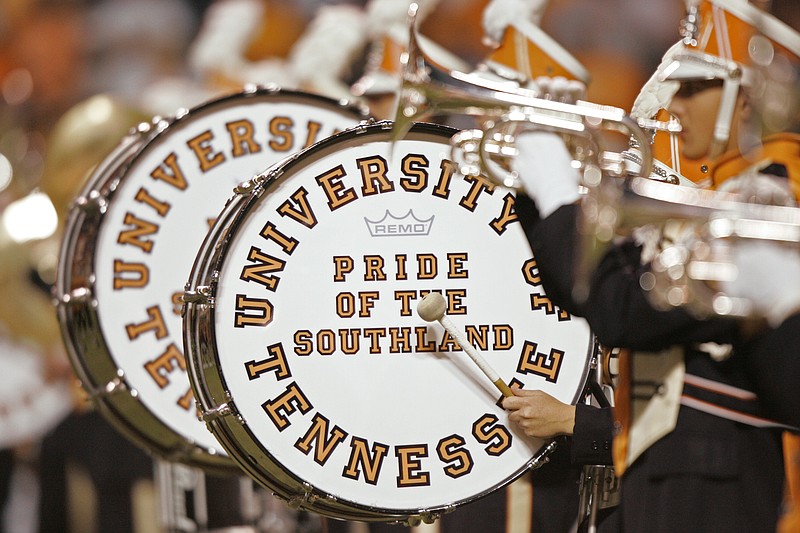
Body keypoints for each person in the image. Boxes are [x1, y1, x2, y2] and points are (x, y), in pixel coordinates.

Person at [506, 0, 800, 531]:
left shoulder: (770, 199)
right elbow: (582, 295)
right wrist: (531, 194)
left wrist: (559, 194)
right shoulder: (734, 197)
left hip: (718, 487)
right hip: (673, 476)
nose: (675, 107)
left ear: (748, 98)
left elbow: (625, 311)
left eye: (692, 89)